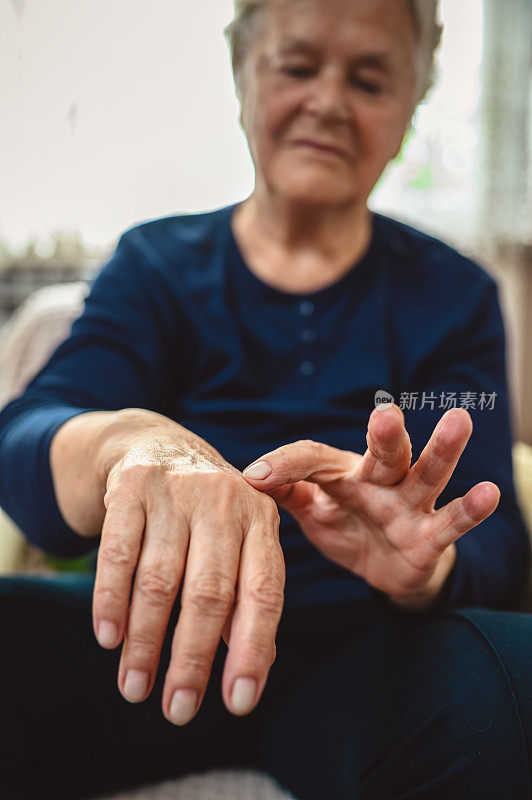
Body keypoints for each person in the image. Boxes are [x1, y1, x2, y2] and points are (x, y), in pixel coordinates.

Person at [0, 0, 530, 797]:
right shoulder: (155, 264)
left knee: (507, 687)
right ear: (243, 72)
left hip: (369, 661)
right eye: (296, 66)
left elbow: (494, 543)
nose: (327, 101)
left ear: (414, 100)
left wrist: (425, 563)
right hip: (146, 640)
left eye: (370, 78)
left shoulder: (454, 294)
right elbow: (27, 446)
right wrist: (133, 445)